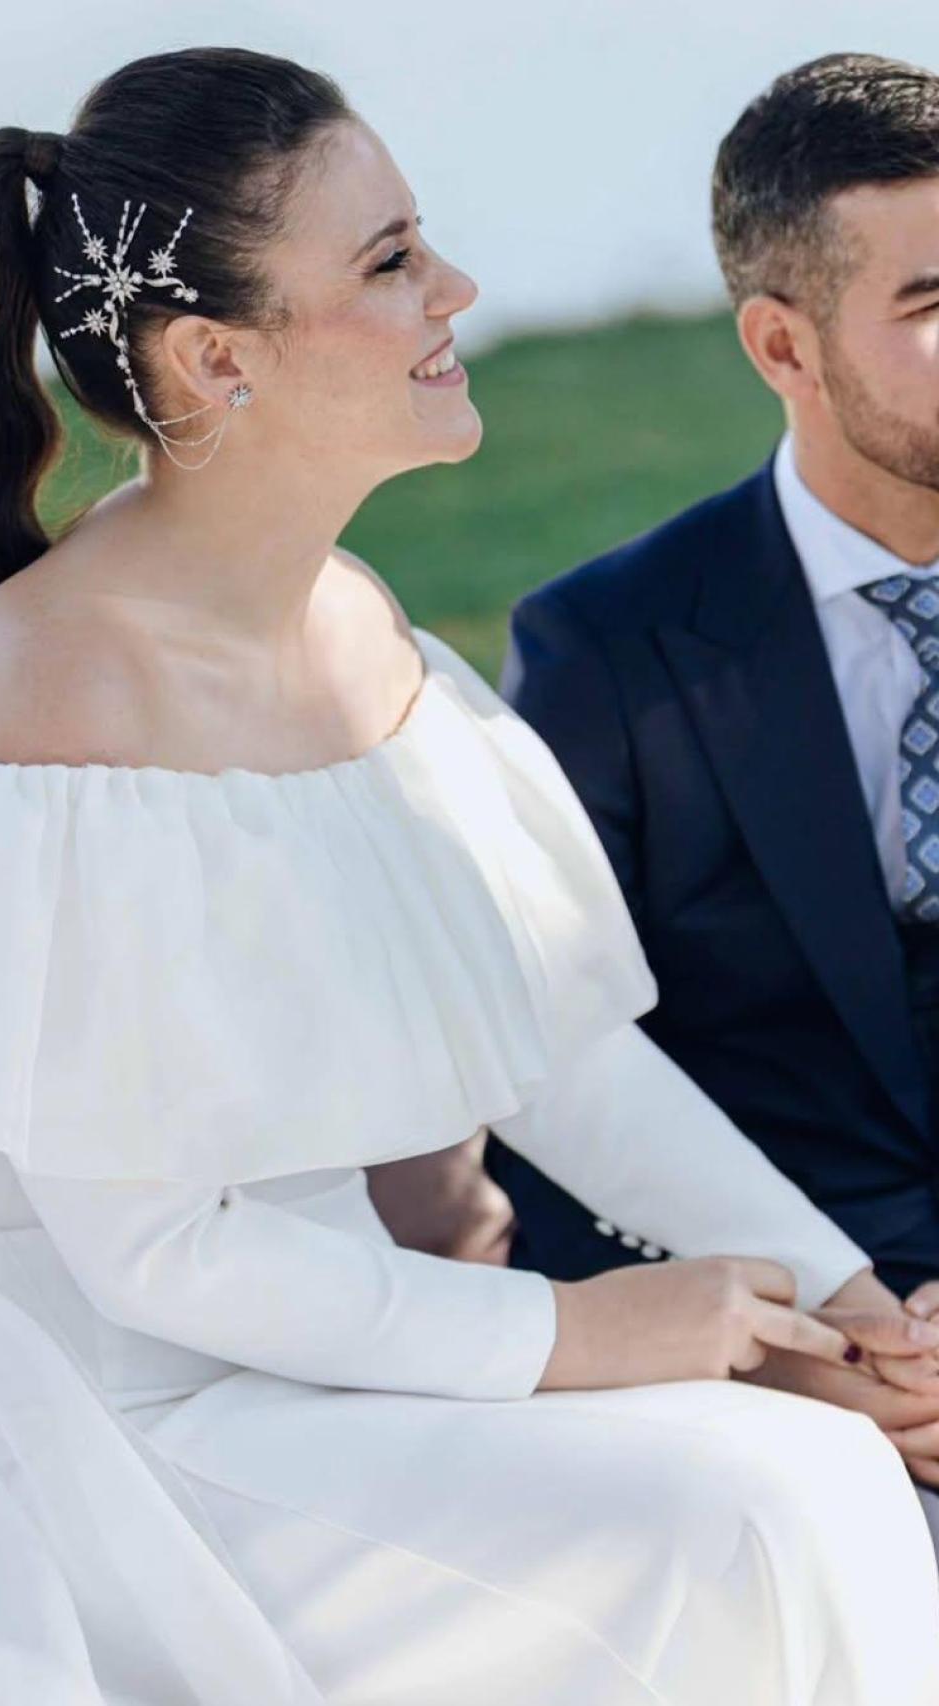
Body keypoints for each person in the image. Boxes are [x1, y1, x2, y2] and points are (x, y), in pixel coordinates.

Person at [0, 45, 937, 1706]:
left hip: (324, 1370)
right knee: (771, 1504)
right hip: (102, 1439)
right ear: (213, 355)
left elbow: (555, 1046)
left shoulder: (354, 627)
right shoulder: (54, 691)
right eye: (393, 260)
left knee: (820, 1472)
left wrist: (852, 1310)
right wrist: (588, 1333)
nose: (455, 288)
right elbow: (158, 1259)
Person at [495, 52, 939, 1546]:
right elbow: (549, 1083)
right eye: (937, 308)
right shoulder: (607, 651)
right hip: (795, 1371)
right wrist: (809, 1353)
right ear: (782, 345)